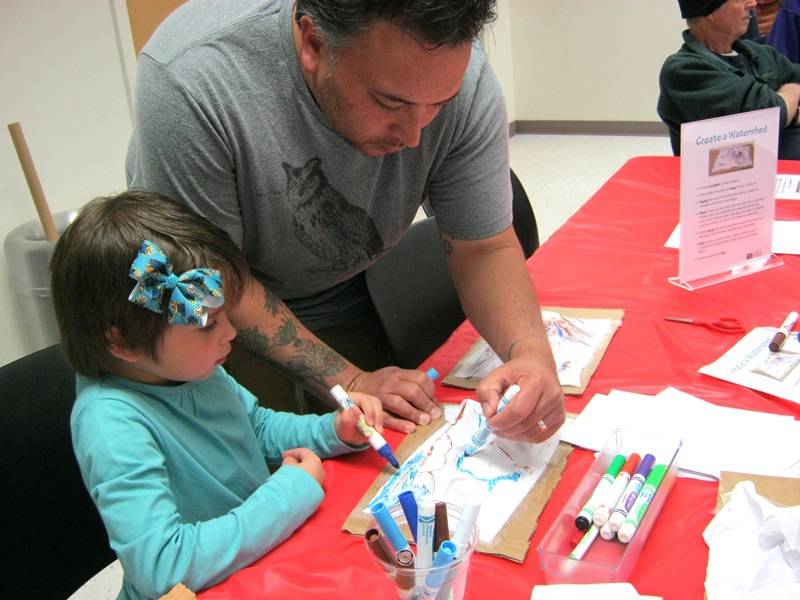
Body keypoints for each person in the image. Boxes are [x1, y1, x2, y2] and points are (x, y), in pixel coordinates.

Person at [126, 0, 565, 442]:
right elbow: (215, 280)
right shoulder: (193, 80)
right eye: (389, 102)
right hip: (208, 317)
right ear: (314, 43)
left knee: (388, 444)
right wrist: (351, 380)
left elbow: (483, 247)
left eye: (437, 107)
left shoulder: (459, 80)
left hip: (346, 284)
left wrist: (530, 355)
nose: (414, 136)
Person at [50, 191, 382, 599]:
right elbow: (163, 567)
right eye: (209, 324)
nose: (231, 333)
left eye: (227, 315)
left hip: (254, 563)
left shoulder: (193, 369)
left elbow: (256, 427)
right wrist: (290, 492)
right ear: (123, 343)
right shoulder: (110, 424)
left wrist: (332, 429)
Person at [658, 0, 800, 158]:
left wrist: (789, 110)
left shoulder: (758, 53)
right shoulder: (683, 70)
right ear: (710, 12)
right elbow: (769, 114)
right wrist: (794, 91)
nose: (752, 3)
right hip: (735, 180)